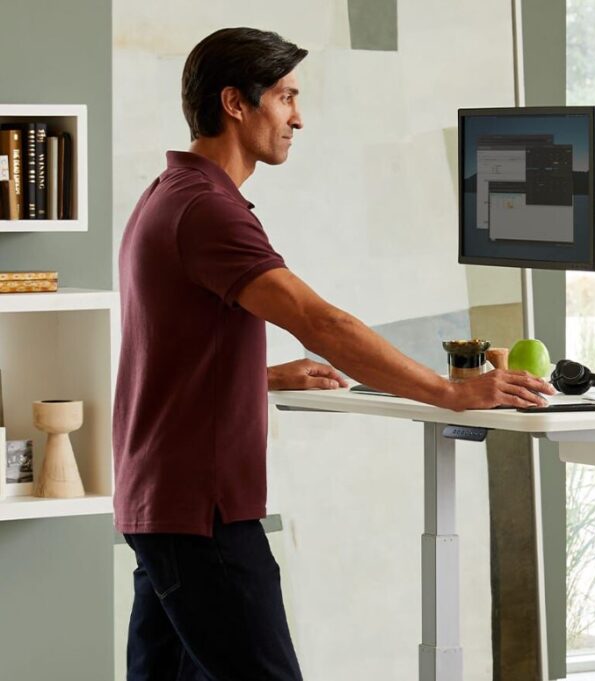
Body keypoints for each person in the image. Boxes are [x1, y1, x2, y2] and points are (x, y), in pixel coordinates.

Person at [113, 27, 553, 681]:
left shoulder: (167, 194)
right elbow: (320, 320)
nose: (298, 116)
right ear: (236, 103)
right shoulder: (208, 210)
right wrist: (450, 391)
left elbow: (164, 344)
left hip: (162, 501)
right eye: (286, 96)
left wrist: (252, 374)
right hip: (203, 513)